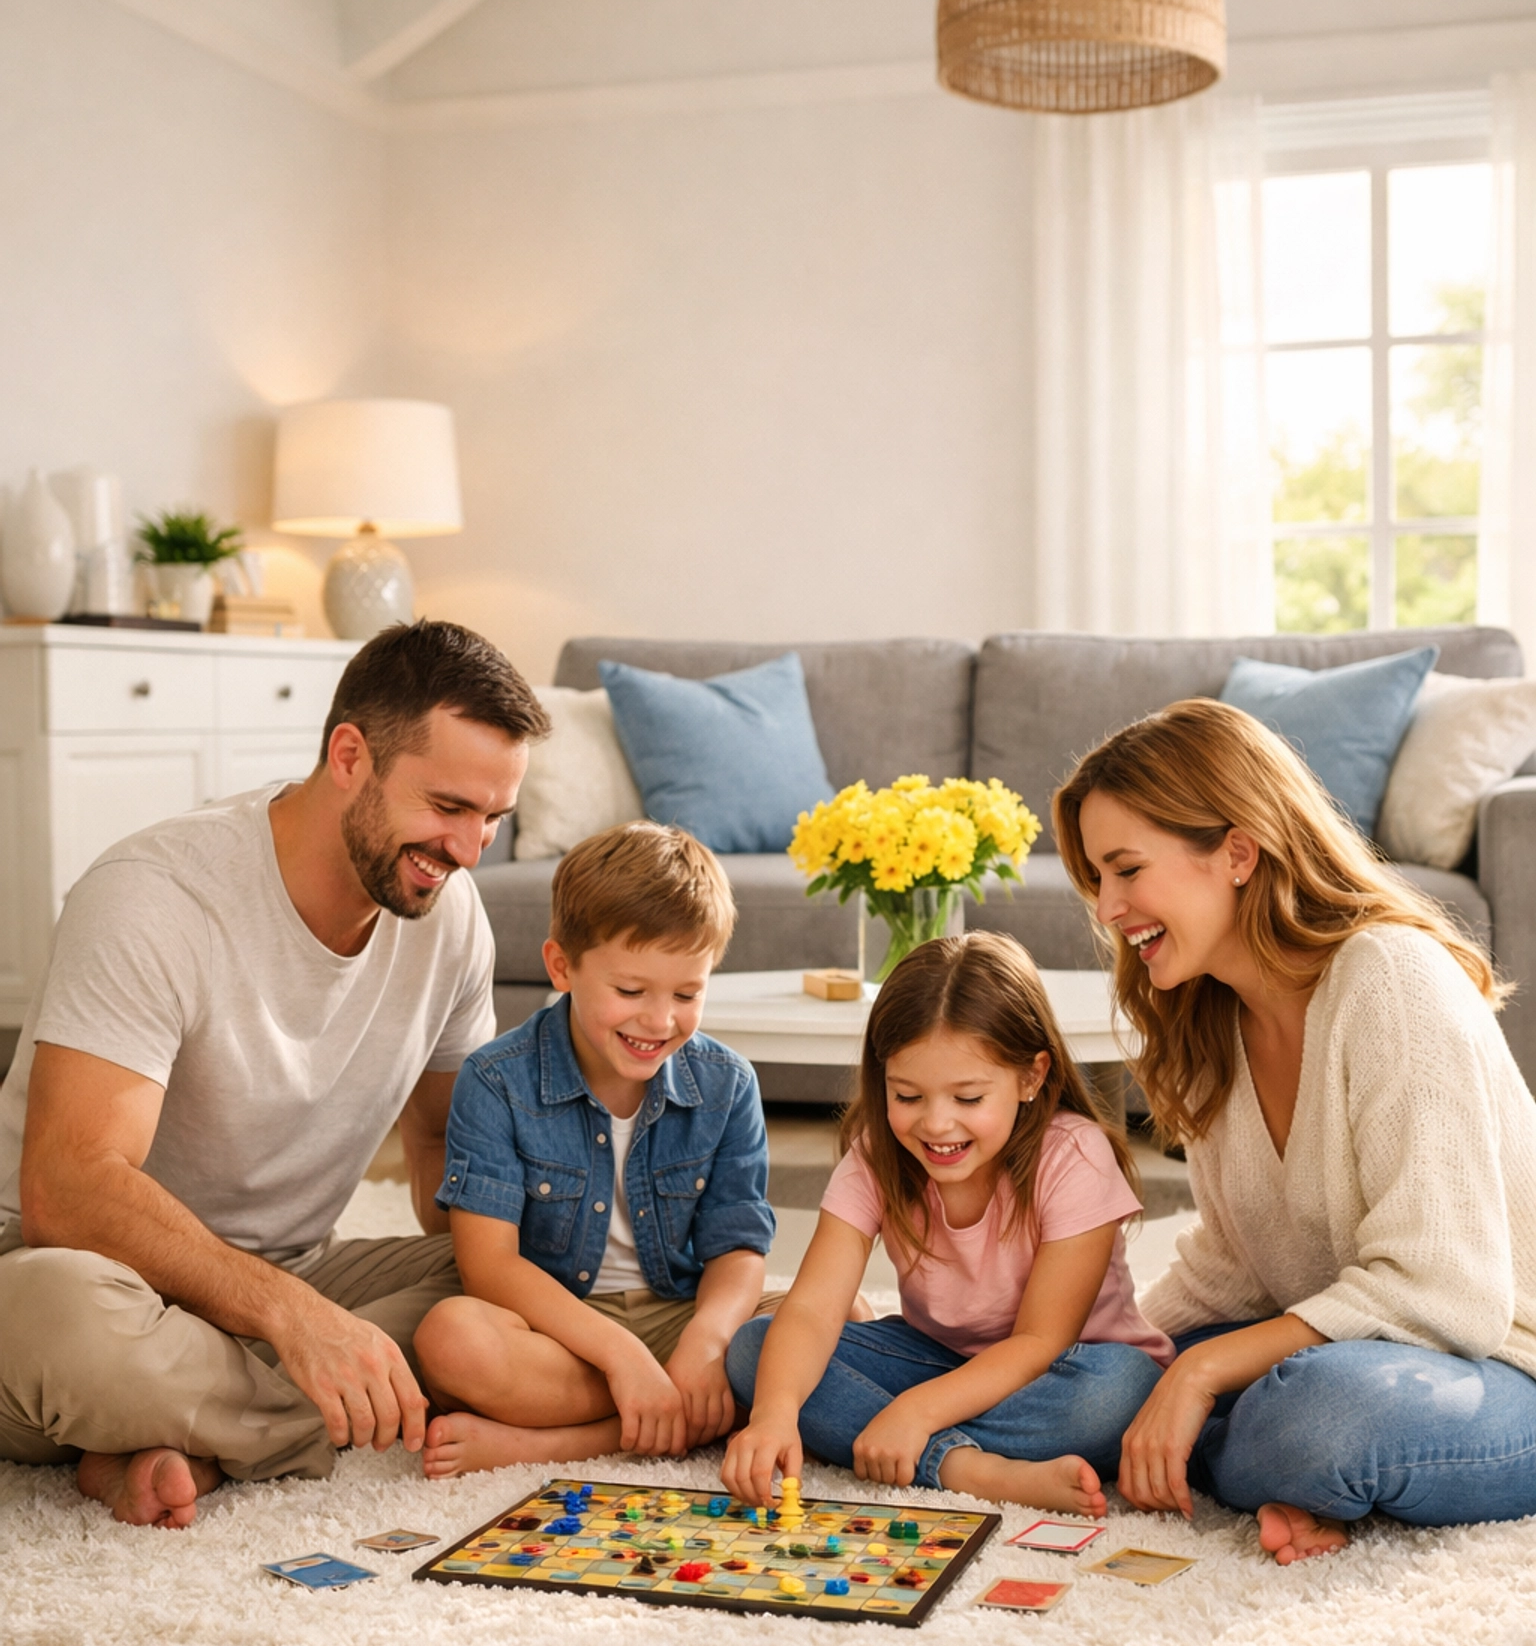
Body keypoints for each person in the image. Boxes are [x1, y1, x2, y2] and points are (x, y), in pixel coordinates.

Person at [0, 620, 548, 1529]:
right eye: (449, 806)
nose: (470, 849)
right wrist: (295, 1322)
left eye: (494, 818)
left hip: (296, 1275)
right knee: (66, 1321)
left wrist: (595, 1281)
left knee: (510, 1281)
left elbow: (449, 1162)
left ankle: (175, 1432)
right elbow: (67, 1187)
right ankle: (321, 1415)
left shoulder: (451, 922)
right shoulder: (155, 896)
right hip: (70, 1267)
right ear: (348, 755)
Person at [1053, 695, 1536, 1564]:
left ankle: (1287, 1462)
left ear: (1237, 850)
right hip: (1358, 1346)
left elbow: (1444, 1291)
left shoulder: (1390, 977)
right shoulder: (1208, 1020)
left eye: (1126, 869)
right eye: (1098, 880)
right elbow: (1237, 1266)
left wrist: (1198, 1375)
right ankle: (1282, 1474)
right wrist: (1109, 1352)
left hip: (1500, 1364)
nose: (1110, 907)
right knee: (1100, 1385)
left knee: (1317, 1419)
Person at [722, 932, 1171, 1516]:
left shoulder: (1074, 1155)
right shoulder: (875, 1155)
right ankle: (965, 1467)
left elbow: (1040, 1340)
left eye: (967, 1098)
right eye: (908, 1095)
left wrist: (915, 1411)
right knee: (756, 1353)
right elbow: (811, 1307)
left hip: (1064, 1368)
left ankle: (912, 1441)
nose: (937, 1125)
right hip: (937, 1359)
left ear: (1032, 1077)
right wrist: (775, 1417)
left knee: (1119, 1395)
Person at [415, 820, 779, 1477]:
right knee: (452, 1340)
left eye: (687, 993)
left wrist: (706, 1340)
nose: (659, 1020)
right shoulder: (497, 1080)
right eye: (631, 991)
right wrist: (623, 1357)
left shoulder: (728, 1084)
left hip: (681, 1318)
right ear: (562, 967)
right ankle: (671, 1415)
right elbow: (489, 1267)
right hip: (560, 1332)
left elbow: (739, 1248)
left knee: (840, 1323)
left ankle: (556, 1444)